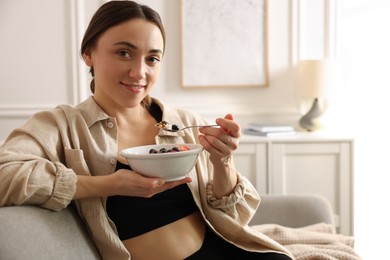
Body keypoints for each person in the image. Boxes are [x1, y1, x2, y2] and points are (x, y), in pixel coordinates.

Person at [0, 1, 293, 259]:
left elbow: (231, 217)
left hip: (227, 249)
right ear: (88, 54)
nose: (139, 72)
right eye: (124, 53)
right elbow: (5, 175)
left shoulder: (186, 123)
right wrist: (107, 185)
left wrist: (222, 161)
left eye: (152, 58)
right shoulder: (62, 127)